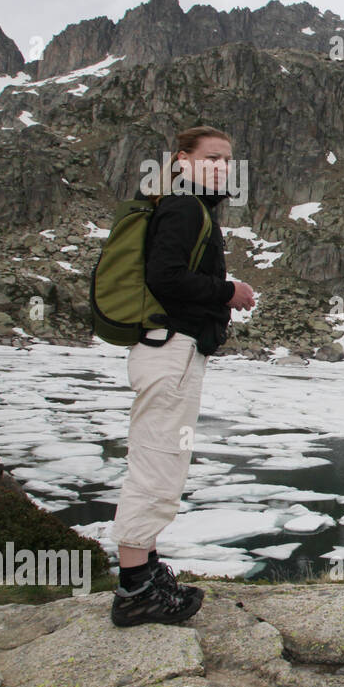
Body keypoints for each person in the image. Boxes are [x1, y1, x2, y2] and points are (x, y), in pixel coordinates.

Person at [108, 126, 256, 627]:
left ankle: (147, 572)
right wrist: (227, 290)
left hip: (171, 349)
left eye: (227, 160)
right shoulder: (183, 206)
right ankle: (136, 591)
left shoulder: (187, 206)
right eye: (211, 157)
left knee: (163, 460)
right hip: (169, 349)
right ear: (181, 159)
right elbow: (165, 277)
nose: (221, 166)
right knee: (157, 465)